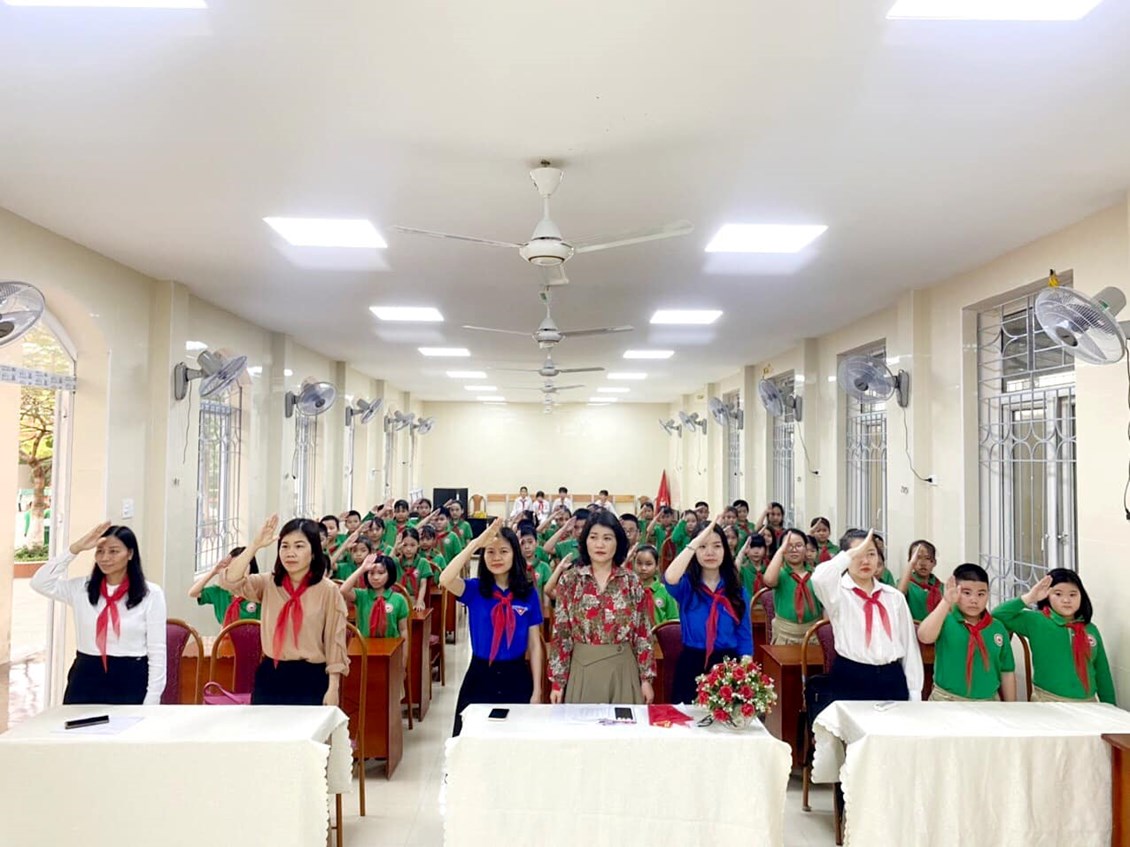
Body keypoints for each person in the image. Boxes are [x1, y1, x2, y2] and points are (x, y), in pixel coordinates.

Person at [31, 522, 167, 705]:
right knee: (76, 724)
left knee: (126, 723)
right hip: (87, 674)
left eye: (113, 551)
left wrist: (153, 698)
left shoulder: (151, 594)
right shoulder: (81, 589)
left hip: (130, 676)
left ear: (130, 554)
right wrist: (75, 548)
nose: (105, 558)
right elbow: (39, 582)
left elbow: (157, 651)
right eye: (100, 551)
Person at [220, 515, 349, 706]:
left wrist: (333, 687)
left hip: (311, 677)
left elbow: (334, 641)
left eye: (299, 546)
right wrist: (255, 545)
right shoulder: (269, 583)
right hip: (272, 673)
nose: (290, 553)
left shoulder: (328, 590)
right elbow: (230, 580)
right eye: (285, 546)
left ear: (314, 552)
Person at [440, 519, 544, 735]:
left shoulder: (527, 593)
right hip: (480, 676)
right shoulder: (475, 590)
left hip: (516, 676)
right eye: (490, 552)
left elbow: (535, 646)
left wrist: (537, 690)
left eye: (503, 551)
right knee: (472, 741)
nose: (496, 557)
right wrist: (475, 544)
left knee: (514, 741)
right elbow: (446, 578)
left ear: (515, 554)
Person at [806, 529, 923, 717]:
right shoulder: (838, 594)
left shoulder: (894, 597)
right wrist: (848, 555)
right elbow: (819, 578)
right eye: (858, 555)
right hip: (852, 676)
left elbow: (909, 647)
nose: (865, 561)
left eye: (871, 554)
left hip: (891, 677)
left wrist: (915, 692)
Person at [548, 510, 656, 704]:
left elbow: (643, 632)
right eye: (594, 537)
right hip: (582, 669)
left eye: (607, 538)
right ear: (585, 541)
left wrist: (646, 679)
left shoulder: (631, 581)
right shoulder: (570, 581)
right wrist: (558, 681)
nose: (600, 544)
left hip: (623, 669)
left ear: (618, 542)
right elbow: (562, 633)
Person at [663, 517, 753, 704]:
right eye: (702, 547)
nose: (710, 552)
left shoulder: (737, 591)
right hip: (692, 663)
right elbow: (670, 577)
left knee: (725, 719)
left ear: (725, 550)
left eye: (717, 546)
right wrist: (695, 542)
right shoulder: (686, 586)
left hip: (728, 665)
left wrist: (745, 676)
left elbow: (744, 636)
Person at [993, 570, 1115, 704]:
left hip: (1088, 702)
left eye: (1073, 594)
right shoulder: (1037, 621)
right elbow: (998, 615)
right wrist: (1030, 597)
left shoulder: (1090, 629)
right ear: (1047, 596)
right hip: (1047, 700)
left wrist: (1110, 707)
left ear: (1082, 596)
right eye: (1058, 594)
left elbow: (1102, 673)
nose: (1066, 600)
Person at [916, 564, 1016, 701]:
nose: (974, 600)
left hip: (988, 702)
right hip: (946, 699)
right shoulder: (945, 620)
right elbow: (924, 637)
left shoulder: (997, 628)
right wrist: (946, 602)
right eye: (966, 593)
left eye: (981, 594)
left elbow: (1007, 671)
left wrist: (1011, 706)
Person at [763, 528, 823, 644]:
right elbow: (769, 581)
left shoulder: (816, 573)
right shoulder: (780, 573)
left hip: (813, 634)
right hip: (785, 635)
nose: (794, 550)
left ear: (806, 549)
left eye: (799, 545)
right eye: (788, 546)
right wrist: (781, 551)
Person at [340, 554, 409, 639]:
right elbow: (343, 590)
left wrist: (405, 648)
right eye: (371, 573)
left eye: (381, 573)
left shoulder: (399, 599)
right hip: (365, 645)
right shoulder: (362, 595)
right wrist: (362, 569)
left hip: (392, 645)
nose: (375, 577)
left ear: (390, 574)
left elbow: (403, 630)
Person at [189, 547, 262, 625]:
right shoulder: (220, 591)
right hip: (225, 632)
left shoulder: (259, 590)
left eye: (242, 566)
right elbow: (193, 593)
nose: (238, 571)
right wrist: (213, 571)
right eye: (233, 567)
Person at [634, 544, 678, 628]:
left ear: (657, 566)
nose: (643, 568)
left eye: (648, 564)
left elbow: (673, 620)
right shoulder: (630, 590)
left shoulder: (666, 591)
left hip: (660, 635)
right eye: (639, 563)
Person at [897, 540, 942, 622]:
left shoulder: (941, 586)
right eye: (917, 558)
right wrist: (911, 564)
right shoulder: (905, 584)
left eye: (927, 558)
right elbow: (898, 597)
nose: (922, 563)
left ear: (934, 562)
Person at [392, 526, 434, 611]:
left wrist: (419, 602)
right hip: (397, 599)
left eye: (412, 545)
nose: (408, 549)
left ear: (418, 545)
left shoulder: (423, 562)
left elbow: (423, 585)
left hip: (415, 599)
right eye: (405, 545)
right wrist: (395, 548)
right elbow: (385, 564)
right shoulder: (396, 561)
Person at [737, 533, 769, 598]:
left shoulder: (769, 568)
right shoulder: (743, 568)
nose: (756, 551)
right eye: (752, 547)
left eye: (759, 547)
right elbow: (734, 571)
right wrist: (742, 552)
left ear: (765, 549)